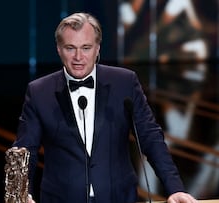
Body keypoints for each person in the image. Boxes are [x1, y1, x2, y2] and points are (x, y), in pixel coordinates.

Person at [11, 12, 198, 203]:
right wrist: (21, 194)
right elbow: (25, 151)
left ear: (97, 48)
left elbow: (150, 137)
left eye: (86, 48)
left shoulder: (124, 83)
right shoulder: (39, 92)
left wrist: (174, 188)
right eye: (70, 48)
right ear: (59, 49)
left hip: (119, 198)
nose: (78, 57)